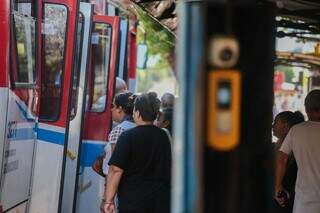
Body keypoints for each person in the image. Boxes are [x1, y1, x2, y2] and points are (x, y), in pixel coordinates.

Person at [103, 92, 172, 213]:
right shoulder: (163, 136)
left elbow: (116, 170)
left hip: (133, 202)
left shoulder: (127, 136)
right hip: (159, 202)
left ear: (138, 113)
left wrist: (109, 200)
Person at [275, 90, 320, 213]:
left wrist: (277, 186)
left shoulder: (296, 131)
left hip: (304, 203)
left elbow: (282, 158)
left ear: (306, 108)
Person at [92, 92, 136, 212]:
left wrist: (106, 199)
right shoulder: (137, 127)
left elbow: (115, 167)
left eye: (113, 106)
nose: (111, 109)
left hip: (116, 187)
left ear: (120, 109)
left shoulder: (119, 130)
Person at [272, 111, 304, 212]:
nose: (272, 126)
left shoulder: (294, 152)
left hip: (287, 201)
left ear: (286, 127)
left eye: (276, 122)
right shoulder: (274, 147)